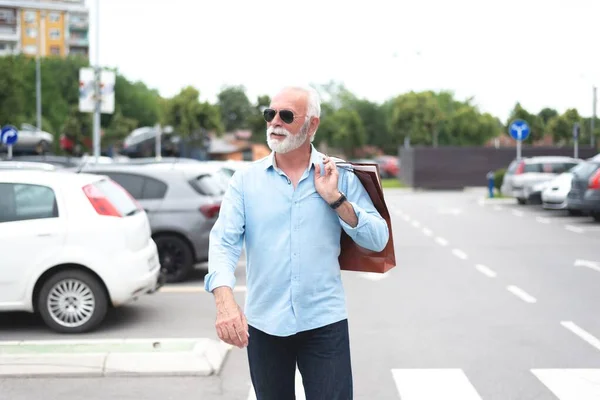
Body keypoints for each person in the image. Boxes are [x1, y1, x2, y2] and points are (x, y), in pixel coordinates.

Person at [204, 86, 389, 400]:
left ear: (312, 125)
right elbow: (223, 243)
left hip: (324, 322)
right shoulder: (245, 181)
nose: (275, 122)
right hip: (264, 324)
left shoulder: (339, 175)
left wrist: (336, 200)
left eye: (286, 115)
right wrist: (224, 304)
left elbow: (378, 238)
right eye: (270, 114)